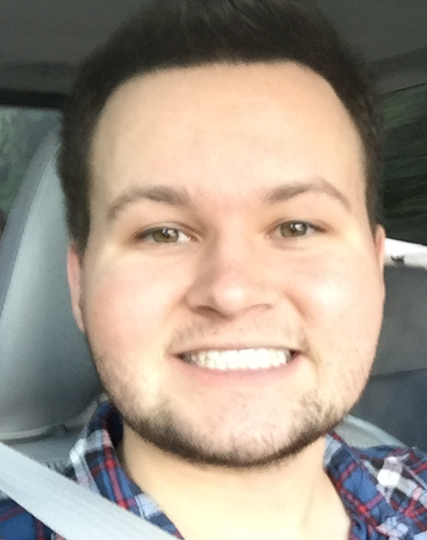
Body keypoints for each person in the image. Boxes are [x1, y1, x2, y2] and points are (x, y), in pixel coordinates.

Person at [1, 0, 427, 538]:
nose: (231, 291)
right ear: (79, 282)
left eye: (296, 227)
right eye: (163, 233)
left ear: (374, 265)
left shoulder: (413, 485)